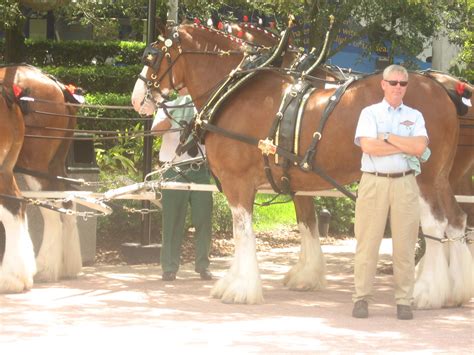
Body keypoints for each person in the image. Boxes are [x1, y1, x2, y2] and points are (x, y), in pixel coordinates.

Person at [352, 64, 429, 320]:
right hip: (374, 183)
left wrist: (388, 137)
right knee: (367, 244)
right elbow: (369, 147)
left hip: (405, 183)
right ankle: (361, 298)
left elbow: (419, 148)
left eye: (402, 83)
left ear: (406, 87)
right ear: (383, 84)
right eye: (393, 82)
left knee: (405, 246)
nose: (397, 87)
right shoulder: (369, 113)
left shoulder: (415, 116)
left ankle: (404, 301)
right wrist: (403, 145)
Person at [151, 88, 213, 281]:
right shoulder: (168, 105)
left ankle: (203, 265)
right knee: (172, 221)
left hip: (199, 169)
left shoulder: (206, 107)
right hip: (174, 170)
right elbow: (155, 132)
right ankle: (169, 267)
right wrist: (172, 115)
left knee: (204, 220)